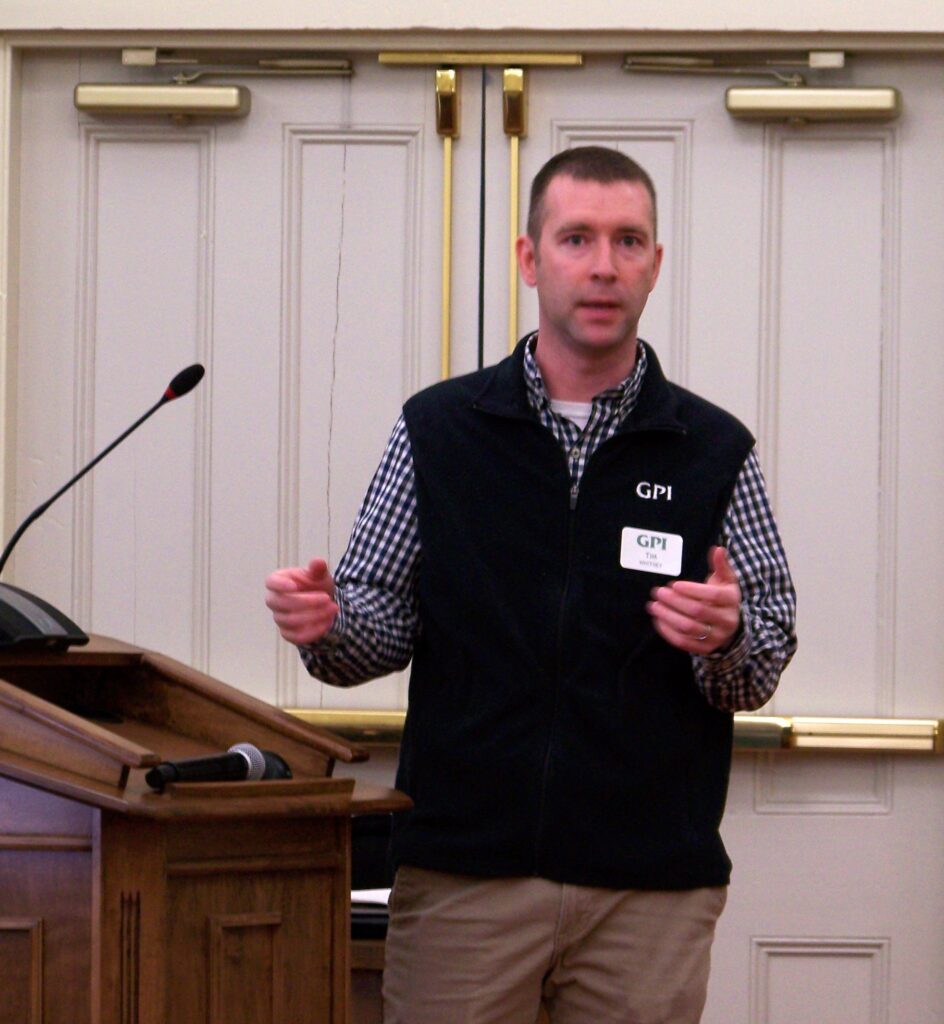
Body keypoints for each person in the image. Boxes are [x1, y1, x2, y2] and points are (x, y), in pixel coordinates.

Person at [266, 146, 796, 1024]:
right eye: (576, 238)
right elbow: (377, 624)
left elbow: (761, 658)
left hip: (648, 893)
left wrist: (725, 638)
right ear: (528, 258)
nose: (602, 265)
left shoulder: (713, 450)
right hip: (466, 877)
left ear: (655, 266)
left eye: (628, 241)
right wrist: (325, 623)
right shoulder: (440, 430)